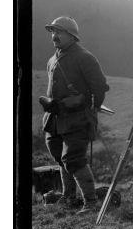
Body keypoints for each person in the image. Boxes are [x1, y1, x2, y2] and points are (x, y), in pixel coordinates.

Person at [39, 16, 109, 214]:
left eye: (58, 32)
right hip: (55, 118)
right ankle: (68, 197)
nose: (54, 36)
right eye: (52, 32)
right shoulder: (52, 60)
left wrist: (93, 109)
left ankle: (91, 202)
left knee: (74, 158)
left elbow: (100, 88)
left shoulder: (85, 57)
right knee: (60, 157)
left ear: (71, 36)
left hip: (77, 118)